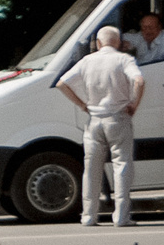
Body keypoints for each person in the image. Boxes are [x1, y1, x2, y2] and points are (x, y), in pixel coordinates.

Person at [58, 24, 145, 227]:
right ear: (118, 42)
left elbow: (62, 83)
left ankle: (89, 216)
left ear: (98, 43)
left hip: (94, 120)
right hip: (118, 118)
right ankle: (121, 217)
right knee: (122, 165)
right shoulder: (124, 59)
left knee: (91, 169)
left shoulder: (87, 61)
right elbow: (139, 81)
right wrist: (134, 104)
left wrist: (82, 105)